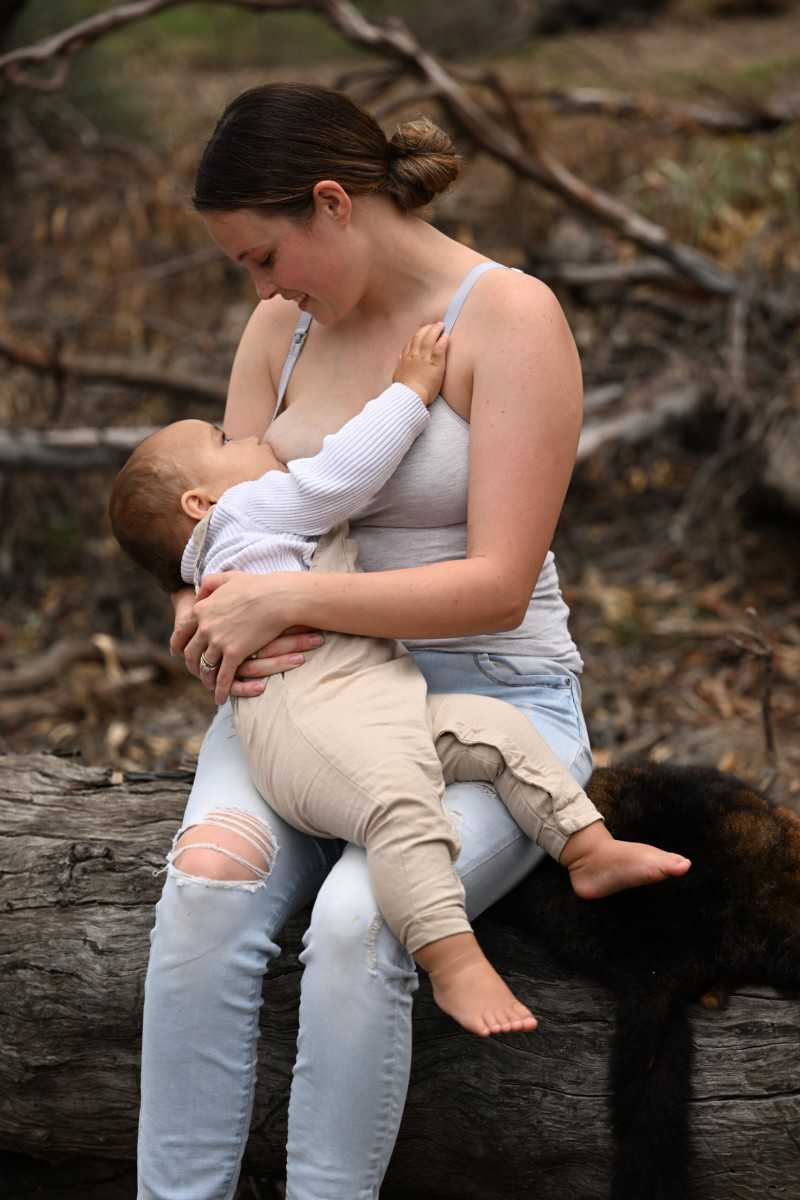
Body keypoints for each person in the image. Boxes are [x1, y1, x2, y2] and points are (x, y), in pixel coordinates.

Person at [135, 82, 687, 1199]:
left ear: (332, 203)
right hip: (303, 702)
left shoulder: (509, 317)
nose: (260, 284)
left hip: (486, 696)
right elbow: (229, 529)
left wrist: (286, 606)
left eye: (260, 254)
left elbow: (492, 586)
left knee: (359, 921)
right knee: (203, 887)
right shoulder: (277, 328)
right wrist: (203, 615)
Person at [110, 321, 689, 1045]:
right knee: (402, 806)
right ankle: (451, 958)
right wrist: (410, 389)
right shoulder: (253, 508)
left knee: (495, 732)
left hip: (370, 704)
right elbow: (349, 472)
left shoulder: (230, 536)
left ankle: (586, 849)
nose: (244, 435)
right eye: (223, 442)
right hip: (311, 720)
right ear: (202, 505)